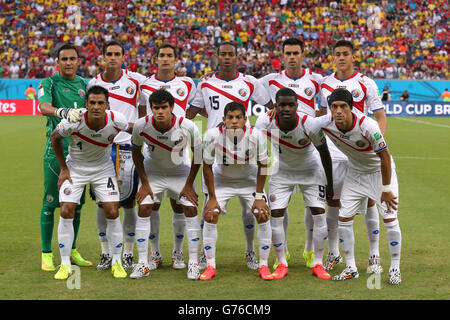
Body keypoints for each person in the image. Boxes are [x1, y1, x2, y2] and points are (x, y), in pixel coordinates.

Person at [187, 41, 273, 271]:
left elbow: (270, 106)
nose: (226, 58)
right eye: (222, 54)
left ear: (237, 57)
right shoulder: (205, 81)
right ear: (217, 57)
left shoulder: (249, 82)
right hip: (216, 147)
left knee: (251, 210)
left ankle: (250, 251)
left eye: (230, 54)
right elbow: (193, 110)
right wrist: (217, 118)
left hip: (244, 147)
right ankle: (207, 257)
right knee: (210, 209)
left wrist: (259, 129)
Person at [316, 88, 402, 285]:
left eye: (343, 107)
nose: (338, 111)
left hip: (379, 173)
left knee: (390, 218)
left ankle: (395, 268)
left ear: (351, 108)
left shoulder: (368, 125)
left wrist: (386, 188)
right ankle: (351, 267)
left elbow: (385, 157)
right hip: (355, 173)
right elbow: (303, 122)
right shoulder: (326, 123)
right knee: (344, 218)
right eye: (334, 107)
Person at [319, 40, 387, 274]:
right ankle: (334, 252)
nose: (341, 58)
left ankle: (374, 254)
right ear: (333, 57)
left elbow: (379, 115)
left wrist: (376, 144)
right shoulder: (325, 83)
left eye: (345, 54)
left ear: (353, 57)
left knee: (369, 201)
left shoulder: (366, 82)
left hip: (361, 151)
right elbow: (322, 116)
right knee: (333, 201)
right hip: (335, 151)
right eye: (337, 54)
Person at [50, 85, 132, 279]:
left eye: (100, 103)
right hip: (76, 169)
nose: (96, 107)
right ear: (86, 104)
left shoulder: (116, 119)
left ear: (107, 105)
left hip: (103, 170)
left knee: (112, 210)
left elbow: (135, 130)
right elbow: (55, 138)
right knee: (66, 209)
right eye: (92, 103)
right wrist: (63, 169)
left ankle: (117, 262)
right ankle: (64, 264)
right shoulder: (74, 121)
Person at [255, 87, 334, 279]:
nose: (287, 108)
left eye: (291, 104)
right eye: (282, 105)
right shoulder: (266, 121)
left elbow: (325, 153)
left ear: (297, 106)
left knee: (318, 213)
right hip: (282, 173)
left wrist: (330, 184)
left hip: (310, 172)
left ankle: (317, 263)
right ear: (276, 106)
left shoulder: (309, 124)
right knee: (276, 214)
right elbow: (254, 146)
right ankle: (282, 262)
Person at [259, 37, 324, 269]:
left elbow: (326, 105)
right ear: (282, 55)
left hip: (308, 145)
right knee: (281, 208)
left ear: (303, 54)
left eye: (296, 52)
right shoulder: (270, 80)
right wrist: (271, 110)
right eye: (288, 53)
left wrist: (319, 120)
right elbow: (245, 87)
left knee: (312, 206)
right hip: (283, 149)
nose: (292, 56)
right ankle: (282, 253)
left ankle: (309, 249)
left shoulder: (316, 80)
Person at [139, 43, 200, 271]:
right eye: (162, 55)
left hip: (179, 155)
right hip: (153, 153)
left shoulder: (187, 83)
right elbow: (140, 112)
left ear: (176, 59)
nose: (165, 59)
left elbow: (193, 108)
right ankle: (154, 253)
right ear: (155, 58)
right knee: (151, 206)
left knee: (179, 205)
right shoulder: (144, 84)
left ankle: (177, 252)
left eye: (169, 56)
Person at [130, 89, 203, 280]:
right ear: (151, 109)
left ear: (172, 108)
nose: (160, 111)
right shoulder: (141, 125)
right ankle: (146, 261)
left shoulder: (187, 126)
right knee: (145, 208)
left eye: (164, 107)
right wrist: (144, 182)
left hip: (180, 172)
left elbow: (199, 154)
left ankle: (190, 261)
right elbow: (136, 152)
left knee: (190, 209)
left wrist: (189, 184)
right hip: (153, 172)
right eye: (156, 108)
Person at [87, 41, 147, 271]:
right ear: (102, 57)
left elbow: (143, 109)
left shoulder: (136, 80)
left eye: (117, 54)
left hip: (127, 149)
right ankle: (105, 252)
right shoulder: (94, 82)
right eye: (108, 54)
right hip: (101, 149)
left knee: (130, 201)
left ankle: (129, 252)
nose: (112, 58)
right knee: (103, 202)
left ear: (123, 57)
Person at [200, 102, 272, 280]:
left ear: (245, 119)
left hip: (248, 180)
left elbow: (263, 166)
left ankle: (263, 265)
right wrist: (211, 197)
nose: (234, 121)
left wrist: (259, 196)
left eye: (238, 117)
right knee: (210, 214)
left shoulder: (256, 135)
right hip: (222, 180)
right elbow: (207, 167)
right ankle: (210, 266)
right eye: (230, 117)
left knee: (262, 214)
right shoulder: (212, 135)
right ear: (223, 120)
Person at [38, 43, 91, 272]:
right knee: (51, 202)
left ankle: (72, 250)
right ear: (57, 62)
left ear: (79, 62)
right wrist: (62, 112)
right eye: (64, 59)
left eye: (72, 59)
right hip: (55, 152)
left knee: (76, 205)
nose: (68, 62)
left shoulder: (85, 85)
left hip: (81, 154)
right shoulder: (49, 82)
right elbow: (43, 107)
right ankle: (46, 254)